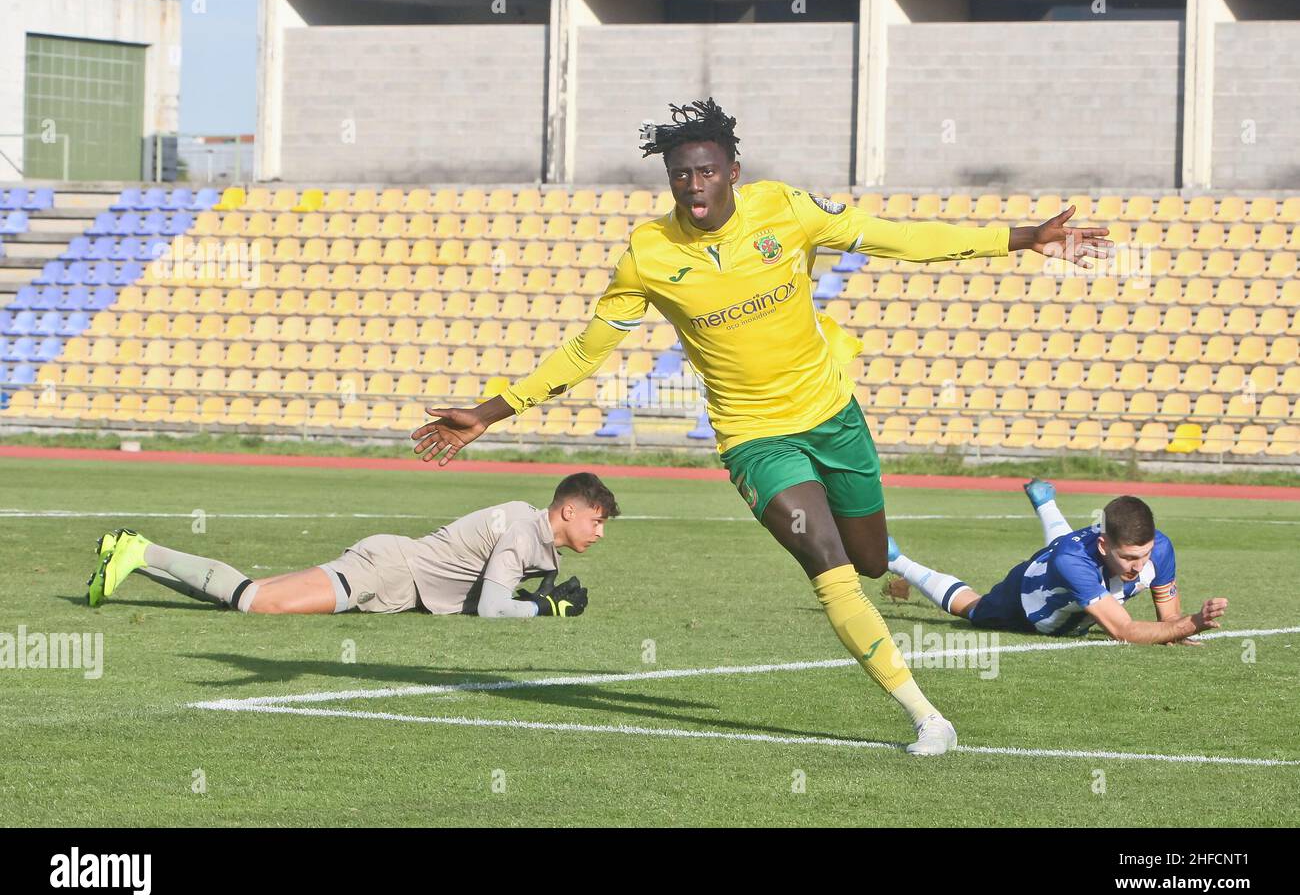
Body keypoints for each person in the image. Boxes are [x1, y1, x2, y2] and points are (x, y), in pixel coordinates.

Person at [410, 98, 1112, 754]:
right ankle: (928, 717)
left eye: (706, 170)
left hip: (833, 419)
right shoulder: (648, 255)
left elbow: (897, 237)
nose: (693, 185)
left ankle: (887, 561)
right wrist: (489, 411)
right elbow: (585, 351)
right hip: (754, 438)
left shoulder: (785, 209)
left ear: (733, 173)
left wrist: (1022, 238)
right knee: (830, 568)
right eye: (680, 174)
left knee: (870, 559)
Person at [85, 472, 616, 618]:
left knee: (249, 593)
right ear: (568, 510)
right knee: (257, 601)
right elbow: (495, 607)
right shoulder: (524, 532)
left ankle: (133, 554)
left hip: (389, 568)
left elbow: (489, 593)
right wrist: (542, 610)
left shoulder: (527, 523)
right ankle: (140, 550)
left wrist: (537, 599)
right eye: (596, 520)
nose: (599, 531)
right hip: (385, 573)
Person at [886, 479, 1228, 643]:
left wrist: (1176, 628)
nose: (1139, 567)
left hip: (1071, 558)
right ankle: (898, 560)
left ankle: (1044, 501)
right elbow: (1122, 630)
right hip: (1028, 596)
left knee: (1069, 554)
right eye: (1128, 558)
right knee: (973, 609)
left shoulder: (1161, 548)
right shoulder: (1074, 561)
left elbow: (1168, 619)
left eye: (1145, 555)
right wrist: (1193, 622)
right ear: (1105, 545)